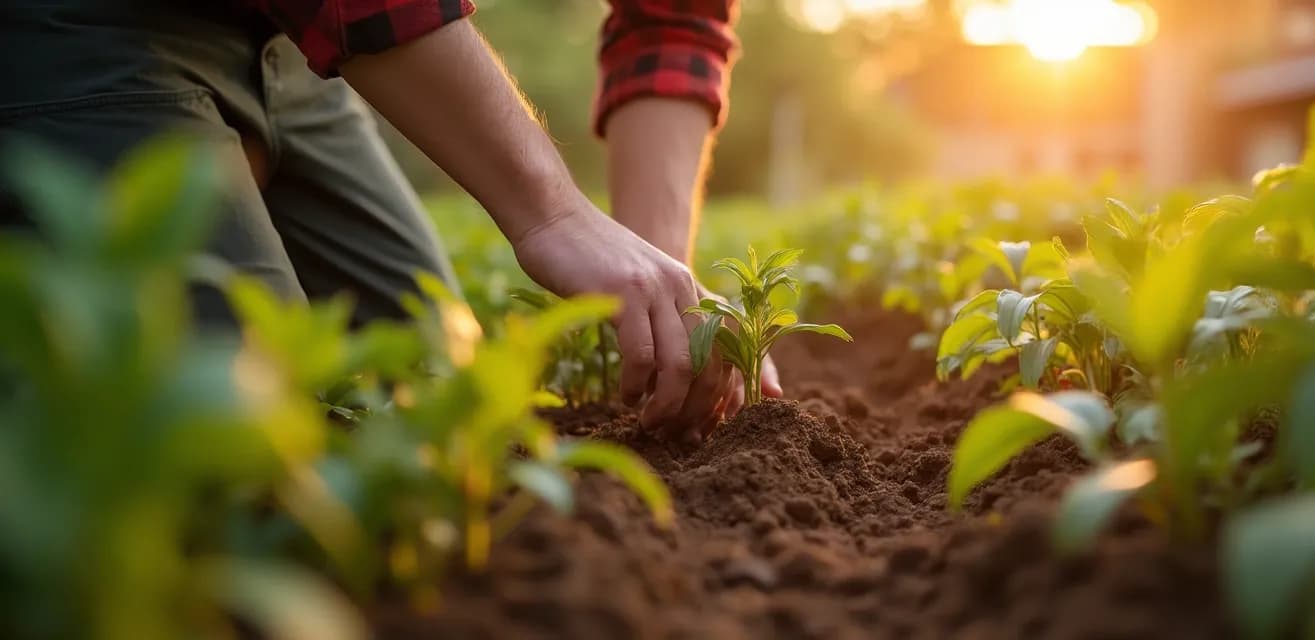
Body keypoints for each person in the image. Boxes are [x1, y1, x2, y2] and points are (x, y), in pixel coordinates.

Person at [0, 0, 776, 435]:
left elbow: (672, 21)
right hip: (72, 21)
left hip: (279, 35)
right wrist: (551, 209)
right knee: (243, 439)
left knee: (436, 403)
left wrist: (669, 312)